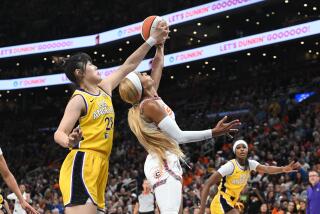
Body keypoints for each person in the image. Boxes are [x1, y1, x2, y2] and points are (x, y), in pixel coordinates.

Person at [54, 21, 169, 214]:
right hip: (84, 161)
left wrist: (151, 41)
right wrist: (69, 141)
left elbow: (129, 65)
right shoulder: (79, 99)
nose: (96, 65)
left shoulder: (104, 88)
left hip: (101, 163)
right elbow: (59, 132)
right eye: (90, 64)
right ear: (79, 73)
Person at [119, 42, 240, 214]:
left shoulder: (151, 99)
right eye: (141, 74)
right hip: (162, 162)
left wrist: (160, 46)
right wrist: (214, 132)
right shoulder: (148, 106)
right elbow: (179, 136)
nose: (145, 73)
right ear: (141, 86)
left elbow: (157, 66)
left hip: (166, 160)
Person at [199, 140, 301, 214]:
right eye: (238, 148)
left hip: (231, 202)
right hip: (220, 201)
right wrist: (202, 210)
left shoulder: (251, 164)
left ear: (247, 150)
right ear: (235, 152)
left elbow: (267, 169)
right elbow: (207, 184)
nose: (242, 149)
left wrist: (283, 169)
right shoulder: (230, 166)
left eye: (244, 147)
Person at [0, 149, 37, 214]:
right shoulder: (14, 195)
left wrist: (22, 200)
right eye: (21, 187)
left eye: (23, 187)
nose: (23, 188)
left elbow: (7, 175)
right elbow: (7, 198)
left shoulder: (26, 195)